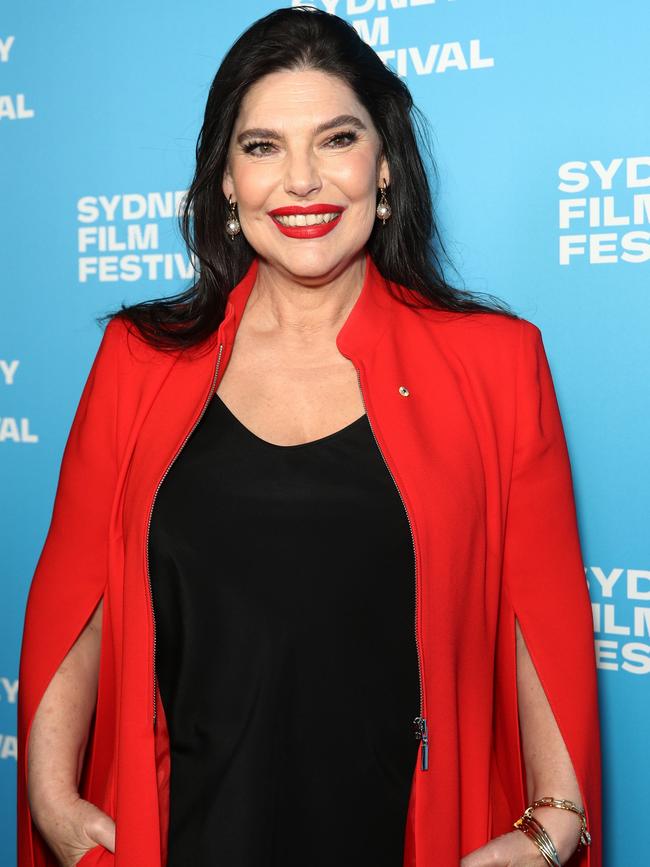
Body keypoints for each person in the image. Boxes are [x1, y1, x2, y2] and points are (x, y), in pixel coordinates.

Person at [17, 6, 602, 867]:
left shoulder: (498, 364)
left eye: (336, 139)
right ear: (224, 178)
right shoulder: (137, 361)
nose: (301, 181)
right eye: (262, 147)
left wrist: (553, 823)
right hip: (186, 835)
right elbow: (79, 598)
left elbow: (538, 622)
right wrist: (53, 797)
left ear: (386, 164)